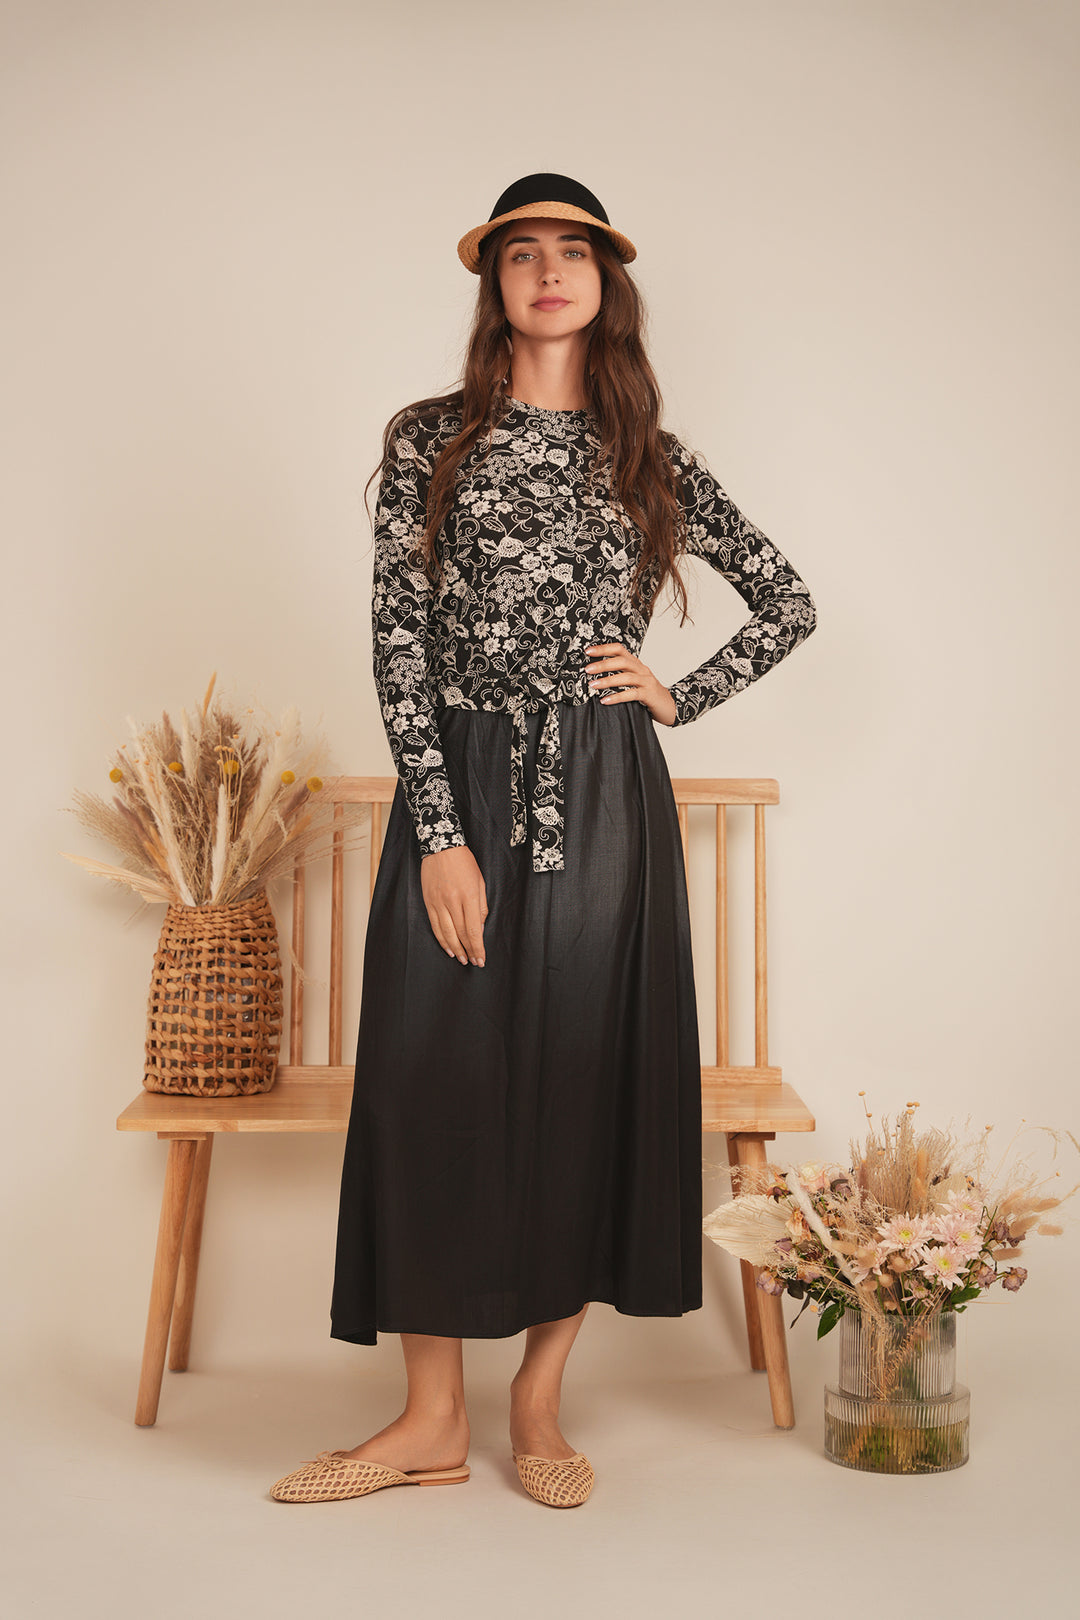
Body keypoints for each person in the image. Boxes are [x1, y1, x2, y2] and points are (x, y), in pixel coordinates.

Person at [270, 173, 818, 1508]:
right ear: (496, 284)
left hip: (605, 791)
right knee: (432, 1078)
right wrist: (438, 833)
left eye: (573, 250)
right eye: (523, 252)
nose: (550, 270)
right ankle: (429, 1419)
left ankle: (536, 1402)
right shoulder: (429, 437)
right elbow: (399, 642)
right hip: (458, 774)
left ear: (606, 283)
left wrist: (677, 693)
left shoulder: (648, 454)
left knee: (583, 1076)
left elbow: (789, 600)